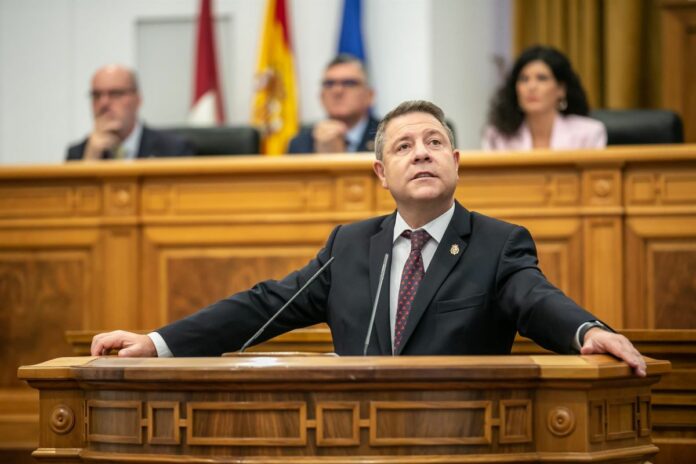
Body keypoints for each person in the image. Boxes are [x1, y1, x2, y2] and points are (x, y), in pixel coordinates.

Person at [91, 100, 646, 377]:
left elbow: (536, 299)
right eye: (404, 146)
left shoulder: (497, 244)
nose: (422, 153)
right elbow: (264, 305)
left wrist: (586, 331)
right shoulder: (350, 246)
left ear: (456, 162)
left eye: (434, 143)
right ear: (381, 173)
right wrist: (157, 343)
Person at [482, 45, 606, 150]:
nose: (531, 87)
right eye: (524, 79)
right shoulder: (497, 136)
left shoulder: (589, 133)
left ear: (561, 89)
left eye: (541, 78)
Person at [66, 64, 194, 161]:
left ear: (138, 99)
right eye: (96, 95)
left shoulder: (174, 150)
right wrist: (91, 159)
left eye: (115, 94)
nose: (104, 103)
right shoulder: (78, 154)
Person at [288, 54, 378, 154]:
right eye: (329, 84)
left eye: (349, 83)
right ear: (321, 96)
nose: (337, 90)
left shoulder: (386, 137)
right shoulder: (300, 144)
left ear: (369, 96)